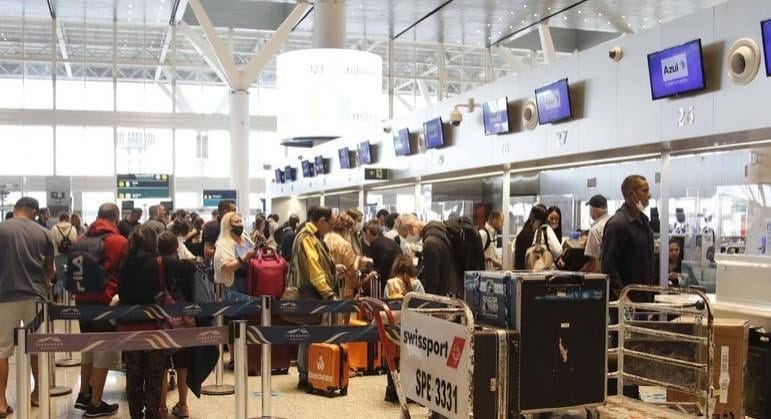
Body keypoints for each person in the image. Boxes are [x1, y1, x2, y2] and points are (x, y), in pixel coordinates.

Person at [0, 197, 53, 416]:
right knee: (37, 347)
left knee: (2, 350)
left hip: (4, 296)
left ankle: (0, 402)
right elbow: (50, 271)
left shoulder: (2, 229)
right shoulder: (44, 233)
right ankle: (38, 393)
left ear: (16, 209)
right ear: (34, 212)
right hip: (35, 297)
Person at [74, 203, 127, 417]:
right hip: (105, 303)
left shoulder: (80, 239)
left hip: (81, 302)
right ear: (116, 217)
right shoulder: (118, 241)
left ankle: (84, 394)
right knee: (103, 352)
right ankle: (95, 403)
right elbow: (125, 272)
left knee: (88, 348)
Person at [116, 226, 166, 419]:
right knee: (154, 374)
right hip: (153, 326)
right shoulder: (156, 263)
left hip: (128, 326)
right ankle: (152, 412)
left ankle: (135, 414)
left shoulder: (125, 263)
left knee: (133, 373)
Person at [289, 207, 341, 389]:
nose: (332, 228)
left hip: (313, 293)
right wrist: (329, 293)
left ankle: (311, 373)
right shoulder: (307, 238)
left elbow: (317, 264)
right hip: (312, 294)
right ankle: (306, 375)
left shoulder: (312, 236)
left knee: (310, 333)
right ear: (321, 221)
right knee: (310, 334)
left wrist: (334, 268)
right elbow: (314, 270)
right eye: (331, 224)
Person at [155, 232, 197, 419]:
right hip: (185, 318)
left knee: (162, 365)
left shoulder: (155, 265)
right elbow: (192, 292)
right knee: (183, 364)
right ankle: (183, 405)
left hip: (162, 318)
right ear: (176, 248)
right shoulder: (187, 266)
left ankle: (162, 408)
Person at [601, 175, 655, 301]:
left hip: (643, 299)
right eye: (645, 191)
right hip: (626, 302)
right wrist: (624, 298)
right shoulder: (618, 224)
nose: (649, 195)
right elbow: (609, 268)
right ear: (632, 194)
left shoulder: (644, 222)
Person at [383, 255, 425, 403]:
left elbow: (385, 309)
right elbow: (424, 306)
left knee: (390, 354)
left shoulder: (390, 284)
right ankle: (413, 391)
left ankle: (392, 389)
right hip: (412, 332)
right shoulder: (417, 284)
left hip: (393, 331)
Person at [324, 214, 370, 299]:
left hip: (326, 287)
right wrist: (358, 259)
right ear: (347, 229)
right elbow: (352, 271)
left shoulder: (324, 240)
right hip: (343, 290)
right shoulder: (344, 245)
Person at [213, 211, 256, 295]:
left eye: (240, 221)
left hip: (247, 280)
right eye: (236, 222)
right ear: (228, 226)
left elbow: (253, 249)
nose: (240, 224)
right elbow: (226, 267)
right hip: (231, 285)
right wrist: (245, 257)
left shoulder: (245, 237)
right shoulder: (223, 243)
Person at [420, 217, 461, 296]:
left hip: (443, 295)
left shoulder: (430, 243)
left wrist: (428, 299)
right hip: (453, 289)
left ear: (411, 228)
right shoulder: (441, 234)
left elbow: (431, 280)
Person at [513, 204, 561, 270]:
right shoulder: (543, 231)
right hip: (536, 272)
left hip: (521, 273)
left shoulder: (521, 234)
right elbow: (558, 252)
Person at [363, 220, 402, 293]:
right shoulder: (388, 241)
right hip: (399, 275)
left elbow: (383, 264)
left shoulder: (375, 244)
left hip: (388, 279)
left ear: (367, 232)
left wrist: (376, 272)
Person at [581, 195, 610, 273]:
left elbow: (593, 265)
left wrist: (576, 275)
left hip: (603, 274)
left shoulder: (595, 230)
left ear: (593, 209)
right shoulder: (614, 222)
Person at [52, 212, 77, 300]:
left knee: (59, 277)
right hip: (70, 256)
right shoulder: (73, 228)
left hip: (58, 256)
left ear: (60, 218)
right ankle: (69, 296)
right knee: (69, 276)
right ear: (68, 218)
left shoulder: (54, 228)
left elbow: (52, 243)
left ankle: (59, 297)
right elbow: (75, 242)